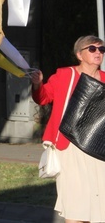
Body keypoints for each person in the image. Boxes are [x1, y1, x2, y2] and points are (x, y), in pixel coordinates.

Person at [31, 35, 105, 223]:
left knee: (99, 206)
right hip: (69, 146)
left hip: (98, 149)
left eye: (102, 50)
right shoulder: (65, 75)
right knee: (75, 204)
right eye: (93, 49)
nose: (98, 53)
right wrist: (37, 84)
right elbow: (43, 98)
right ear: (79, 54)